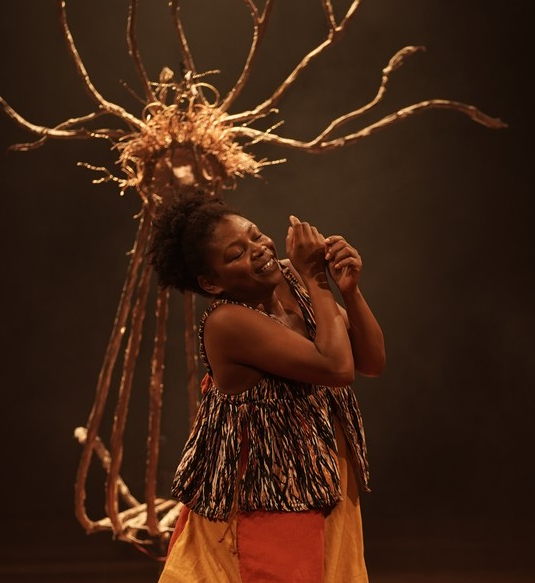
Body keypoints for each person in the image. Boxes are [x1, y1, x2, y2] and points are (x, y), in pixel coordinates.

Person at [149, 187, 386, 583]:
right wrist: (317, 279)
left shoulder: (292, 279)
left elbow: (371, 362)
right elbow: (336, 367)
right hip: (266, 499)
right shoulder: (226, 323)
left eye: (255, 235)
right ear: (211, 283)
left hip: (324, 481)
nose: (257, 248)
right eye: (235, 254)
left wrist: (349, 289)